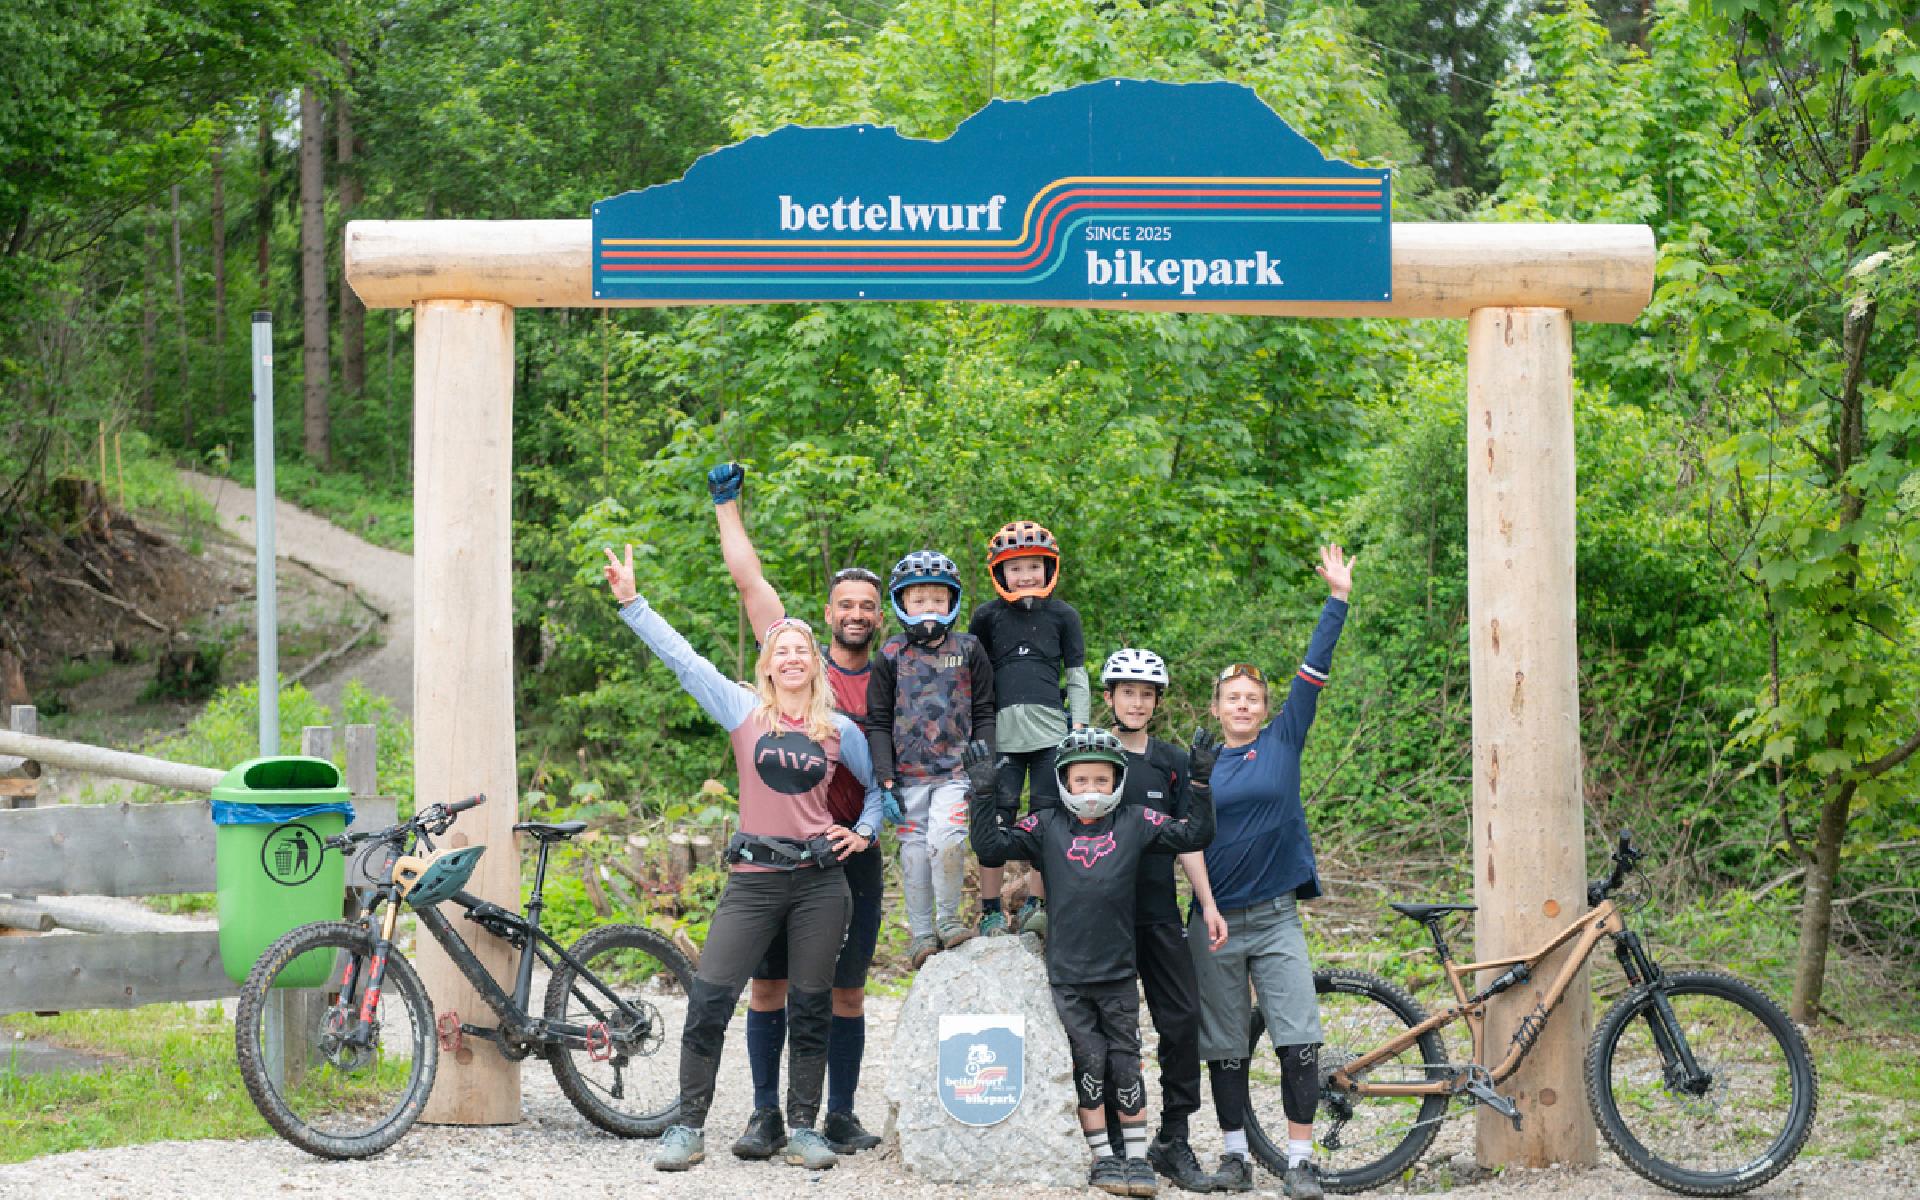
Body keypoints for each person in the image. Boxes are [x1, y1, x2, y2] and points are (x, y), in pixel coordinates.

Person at [601, 543, 884, 1173]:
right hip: (755, 880)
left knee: (810, 1005)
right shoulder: (743, 711)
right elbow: (683, 659)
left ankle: (803, 1129)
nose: (792, 658)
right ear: (768, 664)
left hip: (819, 882)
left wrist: (863, 832)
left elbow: (878, 791)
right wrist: (633, 602)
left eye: (802, 650)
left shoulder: (840, 730)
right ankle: (688, 1126)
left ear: (815, 664)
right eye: (781, 650)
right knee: (709, 999)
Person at [703, 462, 890, 1159]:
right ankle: (765, 1115)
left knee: (845, 993)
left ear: (879, 616)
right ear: (829, 613)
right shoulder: (799, 659)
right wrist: (726, 506)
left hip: (848, 857)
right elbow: (751, 583)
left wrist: (872, 828)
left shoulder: (894, 674)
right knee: (769, 987)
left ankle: (836, 1115)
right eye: (845, 604)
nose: (855, 614)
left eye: (867, 606)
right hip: (782, 854)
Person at [969, 728, 1217, 1198]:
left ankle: (1137, 1157)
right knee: (1088, 1062)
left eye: (1102, 780)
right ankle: (1103, 1156)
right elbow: (990, 847)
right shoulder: (1045, 825)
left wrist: (1201, 784)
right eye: (1081, 780)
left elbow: (1194, 834)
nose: (1091, 790)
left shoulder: (1136, 821)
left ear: (1118, 780)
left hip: (1118, 971)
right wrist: (983, 795)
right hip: (1068, 975)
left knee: (1126, 1062)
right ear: (1064, 780)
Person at [1189, 545, 1355, 1200]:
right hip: (1216, 920)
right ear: (1215, 708)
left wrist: (1337, 598)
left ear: (1264, 707)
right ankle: (1235, 1156)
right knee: (1226, 1043)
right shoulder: (1197, 767)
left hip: (1277, 915)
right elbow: (1184, 840)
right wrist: (1205, 906)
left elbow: (1314, 670)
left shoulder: (1284, 739)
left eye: (1252, 698)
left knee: (1299, 1039)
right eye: (1232, 698)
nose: (1243, 706)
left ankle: (1300, 1161)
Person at [1099, 647, 1230, 1194]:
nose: (1137, 702)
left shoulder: (1172, 761)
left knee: (1180, 1020)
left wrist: (1208, 902)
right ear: (1110, 697)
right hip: (1101, 917)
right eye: (1127, 692)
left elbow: (1188, 840)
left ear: (1157, 702)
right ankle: (1113, 1142)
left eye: (1147, 694)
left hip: (1157, 913)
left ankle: (1174, 1137)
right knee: (1112, 1028)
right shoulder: (1089, 754)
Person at [865, 550, 996, 966]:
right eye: (919, 599)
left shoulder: (969, 649)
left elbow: (985, 711)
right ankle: (922, 934)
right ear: (901, 602)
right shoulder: (890, 654)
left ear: (952, 601)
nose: (929, 608)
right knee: (914, 853)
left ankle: (949, 920)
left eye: (938, 599)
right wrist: (884, 779)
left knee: (948, 841)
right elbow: (878, 721)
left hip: (955, 773)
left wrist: (985, 761)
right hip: (906, 779)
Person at [968, 521, 1089, 937]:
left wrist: (1080, 728)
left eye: (1034, 566)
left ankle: (1036, 904)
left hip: (1051, 734)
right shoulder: (986, 617)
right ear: (1000, 572)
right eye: (1015, 568)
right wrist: (974, 731)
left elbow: (1076, 675)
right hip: (1000, 735)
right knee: (995, 818)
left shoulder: (1064, 615)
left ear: (1049, 568)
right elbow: (974, 677)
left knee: (1047, 818)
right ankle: (989, 909)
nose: (1025, 576)